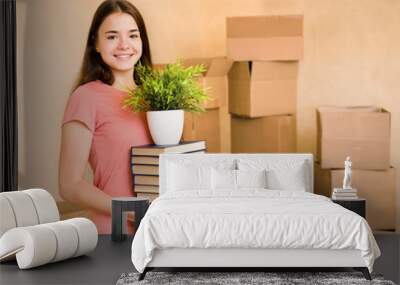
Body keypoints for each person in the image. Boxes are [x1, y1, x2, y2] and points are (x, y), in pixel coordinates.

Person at [59, 0, 152, 234]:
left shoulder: (157, 97)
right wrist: (128, 210)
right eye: (112, 37)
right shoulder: (86, 98)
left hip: (158, 229)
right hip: (115, 231)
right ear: (96, 44)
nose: (124, 45)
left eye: (133, 35)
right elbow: (69, 185)